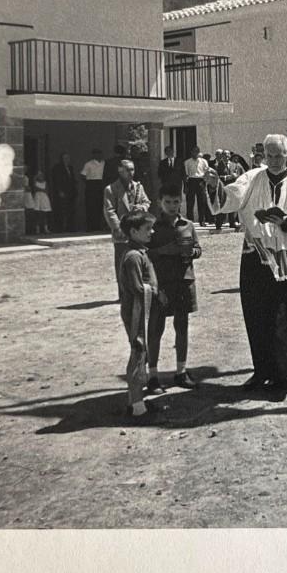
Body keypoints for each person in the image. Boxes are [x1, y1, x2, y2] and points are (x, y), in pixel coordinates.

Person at [218, 134, 287, 392]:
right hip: (256, 255)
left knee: (286, 315)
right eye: (270, 155)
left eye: (279, 155)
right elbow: (230, 198)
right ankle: (261, 370)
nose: (275, 160)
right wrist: (215, 185)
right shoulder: (252, 178)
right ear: (263, 156)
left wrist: (286, 221)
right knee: (256, 314)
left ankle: (282, 374)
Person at [146, 182, 201, 391]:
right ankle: (152, 375)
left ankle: (181, 371)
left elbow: (197, 248)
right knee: (156, 328)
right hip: (161, 283)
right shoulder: (153, 226)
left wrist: (192, 252)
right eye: (167, 202)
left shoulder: (188, 225)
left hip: (184, 281)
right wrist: (165, 250)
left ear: (181, 202)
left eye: (176, 202)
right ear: (160, 202)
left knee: (182, 326)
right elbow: (146, 254)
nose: (172, 206)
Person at [117, 210, 159, 420]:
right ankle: (137, 407)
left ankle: (134, 401)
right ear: (133, 231)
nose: (152, 232)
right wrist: (154, 291)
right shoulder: (133, 256)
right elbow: (137, 287)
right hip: (137, 310)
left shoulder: (139, 252)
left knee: (141, 352)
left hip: (143, 308)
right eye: (147, 229)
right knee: (138, 351)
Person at [103, 159, 151, 294]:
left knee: (138, 261)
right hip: (122, 234)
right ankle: (123, 293)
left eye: (133, 169)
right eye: (128, 170)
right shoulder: (111, 189)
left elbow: (146, 201)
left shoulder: (138, 187)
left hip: (137, 232)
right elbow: (109, 211)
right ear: (120, 171)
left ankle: (138, 289)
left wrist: (140, 207)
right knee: (121, 263)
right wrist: (119, 228)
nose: (131, 173)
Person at [49, 152, 77, 233]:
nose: (67, 160)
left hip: (71, 192)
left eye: (68, 158)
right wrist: (59, 191)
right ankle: (59, 228)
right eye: (65, 158)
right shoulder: (57, 168)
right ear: (61, 159)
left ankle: (70, 228)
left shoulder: (70, 168)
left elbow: (71, 179)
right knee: (60, 210)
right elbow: (56, 180)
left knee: (70, 210)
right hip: (62, 192)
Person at [183, 146, 211, 225]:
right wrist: (185, 186)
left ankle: (202, 220)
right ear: (191, 152)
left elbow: (207, 172)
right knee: (190, 202)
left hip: (200, 181)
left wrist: (205, 181)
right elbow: (186, 175)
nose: (194, 153)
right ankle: (190, 221)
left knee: (201, 202)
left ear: (198, 152)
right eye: (193, 152)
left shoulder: (203, 161)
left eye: (196, 152)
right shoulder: (187, 162)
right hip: (191, 181)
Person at [80, 148, 106, 230]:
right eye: (96, 154)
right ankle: (91, 226)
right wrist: (89, 183)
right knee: (91, 206)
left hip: (101, 184)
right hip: (92, 184)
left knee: (100, 205)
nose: (98, 155)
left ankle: (99, 226)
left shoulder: (104, 163)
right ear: (93, 155)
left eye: (99, 153)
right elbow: (83, 175)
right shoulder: (89, 164)